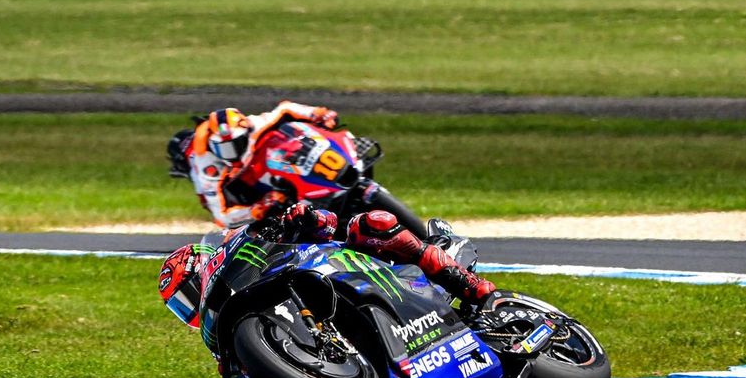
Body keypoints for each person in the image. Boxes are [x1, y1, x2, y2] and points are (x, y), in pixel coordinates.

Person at [158, 200, 495, 329]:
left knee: (373, 223)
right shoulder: (225, 337)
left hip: (347, 265)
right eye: (181, 306)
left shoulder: (250, 252)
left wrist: (302, 219)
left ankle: (467, 283)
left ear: (205, 265)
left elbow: (326, 223)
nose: (191, 306)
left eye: (188, 293)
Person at [167, 102, 342, 228]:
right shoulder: (207, 165)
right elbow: (222, 216)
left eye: (236, 144)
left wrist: (318, 113)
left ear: (246, 132)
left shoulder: (254, 125)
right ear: (213, 145)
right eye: (224, 149)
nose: (232, 153)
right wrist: (258, 208)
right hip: (231, 187)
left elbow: (285, 108)